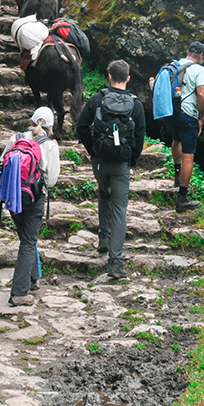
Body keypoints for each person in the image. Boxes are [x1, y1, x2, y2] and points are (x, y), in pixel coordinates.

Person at [76, 60, 145, 280]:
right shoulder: (136, 105)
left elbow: (81, 126)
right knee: (119, 209)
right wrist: (130, 159)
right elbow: (140, 137)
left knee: (103, 193)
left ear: (109, 76)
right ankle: (115, 263)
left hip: (99, 162)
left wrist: (93, 150)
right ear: (128, 78)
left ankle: (103, 239)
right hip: (121, 164)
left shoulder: (98, 99)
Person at [0, 107, 60, 306]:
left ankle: (33, 278)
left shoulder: (15, 138)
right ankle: (19, 292)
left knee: (26, 237)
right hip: (34, 198)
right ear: (50, 127)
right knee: (28, 241)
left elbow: (2, 164)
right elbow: (50, 181)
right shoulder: (50, 145)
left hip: (12, 197)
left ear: (32, 121)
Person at [162, 41, 204, 213]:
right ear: (201, 56)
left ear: (187, 52)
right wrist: (201, 117)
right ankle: (182, 198)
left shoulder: (174, 66)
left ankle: (176, 174)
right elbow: (201, 93)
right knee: (189, 155)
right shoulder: (199, 69)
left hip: (169, 113)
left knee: (176, 139)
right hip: (188, 115)